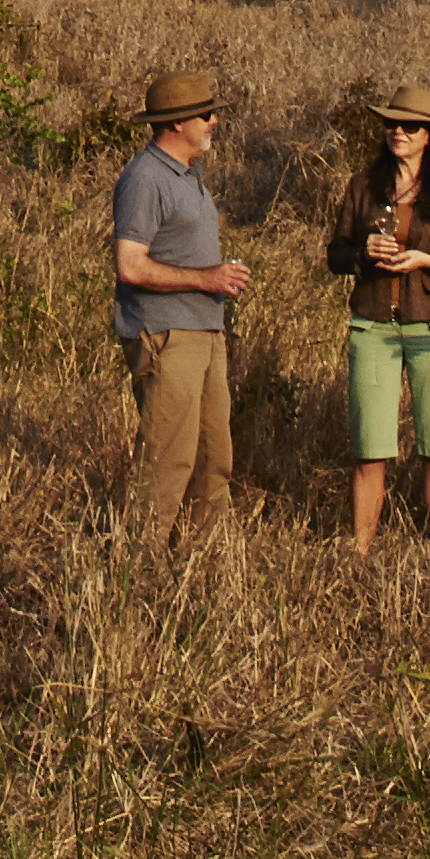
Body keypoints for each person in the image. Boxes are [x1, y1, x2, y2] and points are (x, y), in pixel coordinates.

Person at [325, 83, 430, 551]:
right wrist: (361, 253)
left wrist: (429, 262)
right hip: (372, 328)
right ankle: (359, 550)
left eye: (410, 126)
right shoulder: (363, 188)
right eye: (392, 123)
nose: (398, 132)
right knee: (369, 450)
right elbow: (334, 255)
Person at [107, 62, 247, 526]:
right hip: (167, 335)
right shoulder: (145, 178)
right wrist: (205, 279)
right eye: (206, 115)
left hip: (205, 331)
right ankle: (141, 571)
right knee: (167, 463)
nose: (214, 122)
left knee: (213, 460)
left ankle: (201, 568)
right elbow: (130, 265)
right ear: (176, 124)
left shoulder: (189, 174)